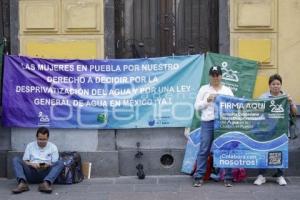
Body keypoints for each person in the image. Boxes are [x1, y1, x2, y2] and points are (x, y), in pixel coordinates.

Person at [193, 65, 234, 187]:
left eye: (217, 75)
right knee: (204, 149)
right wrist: (207, 101)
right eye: (213, 75)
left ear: (221, 76)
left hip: (223, 123)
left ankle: (228, 177)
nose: (215, 77)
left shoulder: (227, 90)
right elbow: (196, 106)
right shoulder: (204, 89)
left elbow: (234, 104)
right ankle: (199, 176)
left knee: (226, 149)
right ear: (210, 76)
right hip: (208, 122)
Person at [253, 74, 297, 186]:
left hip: (281, 132)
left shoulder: (286, 97)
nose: (276, 86)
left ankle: (280, 175)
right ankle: (261, 176)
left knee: (281, 152)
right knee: (264, 152)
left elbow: (295, 113)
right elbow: (257, 112)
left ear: (281, 85)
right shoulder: (263, 97)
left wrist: (291, 102)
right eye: (273, 84)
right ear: (269, 85)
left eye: (278, 84)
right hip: (267, 131)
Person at [12, 127, 64, 194]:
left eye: (44, 139)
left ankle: (46, 183)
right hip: (31, 172)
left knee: (60, 163)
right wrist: (31, 164)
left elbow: (54, 163)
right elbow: (25, 161)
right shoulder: (30, 145)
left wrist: (48, 165)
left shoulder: (53, 147)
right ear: (36, 137)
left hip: (46, 173)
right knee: (16, 159)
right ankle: (22, 183)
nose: (42, 141)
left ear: (48, 138)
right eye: (40, 139)